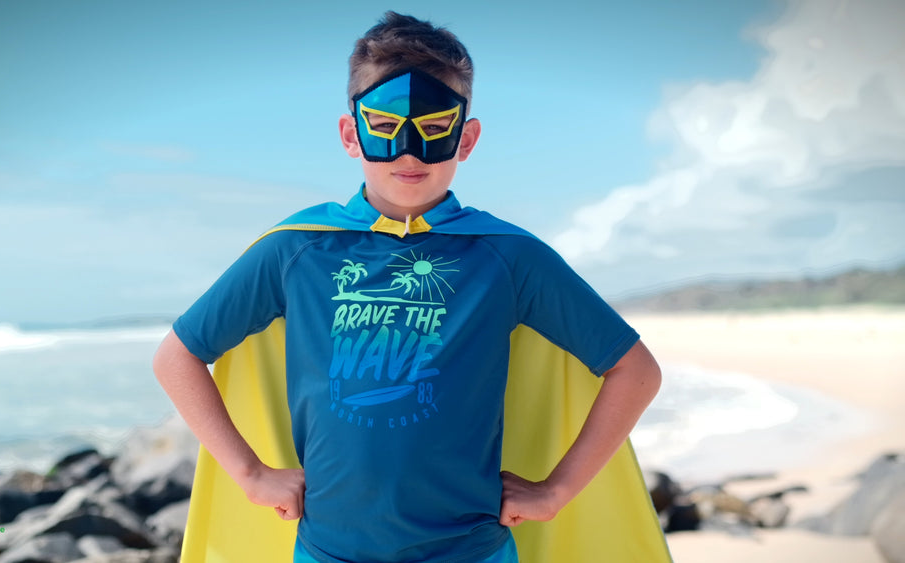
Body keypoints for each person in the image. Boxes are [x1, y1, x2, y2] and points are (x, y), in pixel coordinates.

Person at [153, 11, 662, 563]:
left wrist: (556, 490)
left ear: (466, 139)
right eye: (387, 127)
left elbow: (635, 370)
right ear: (352, 134)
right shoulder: (297, 248)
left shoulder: (505, 254)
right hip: (329, 551)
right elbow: (177, 357)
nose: (410, 152)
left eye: (436, 129)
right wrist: (250, 474)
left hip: (470, 550)